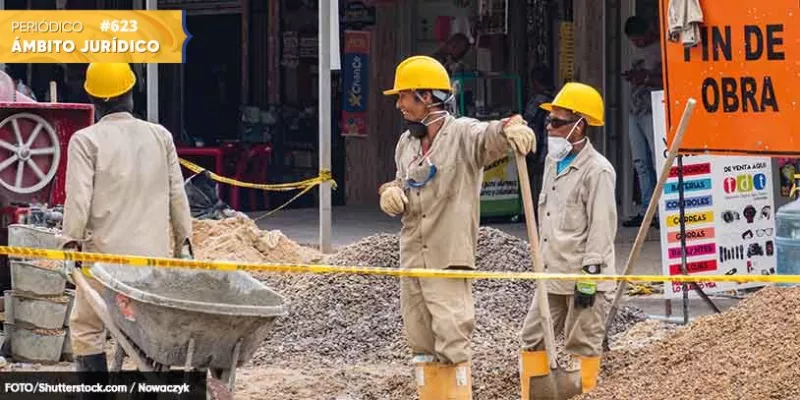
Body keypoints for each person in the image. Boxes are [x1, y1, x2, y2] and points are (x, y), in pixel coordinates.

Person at [378, 55, 536, 399]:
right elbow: (399, 182)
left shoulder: (462, 134)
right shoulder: (406, 143)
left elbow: (492, 133)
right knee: (420, 342)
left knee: (452, 339)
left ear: (426, 96)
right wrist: (389, 192)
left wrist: (513, 127)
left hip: (447, 256)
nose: (399, 104)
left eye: (404, 96)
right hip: (413, 259)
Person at [59, 63, 193, 372]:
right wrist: (183, 244)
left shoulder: (85, 141)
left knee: (87, 327)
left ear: (94, 99)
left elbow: (78, 201)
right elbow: (177, 196)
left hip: (104, 265)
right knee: (149, 329)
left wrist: (69, 243)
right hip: (152, 265)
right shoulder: (161, 136)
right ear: (131, 95)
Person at [518, 82, 618, 396]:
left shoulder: (597, 171)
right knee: (532, 337)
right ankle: (533, 394)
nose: (550, 128)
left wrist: (590, 275)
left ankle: (583, 392)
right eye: (550, 121)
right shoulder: (551, 163)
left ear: (580, 125)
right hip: (552, 273)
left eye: (558, 122)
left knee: (582, 344)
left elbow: (602, 229)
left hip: (582, 276)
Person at [623, 15, 663, 228]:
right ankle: (647, 210)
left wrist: (645, 78)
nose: (637, 44)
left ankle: (662, 209)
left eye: (638, 39)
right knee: (640, 162)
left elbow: (667, 77)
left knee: (658, 161)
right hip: (635, 110)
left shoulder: (661, 48)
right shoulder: (634, 50)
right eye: (633, 40)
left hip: (653, 110)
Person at [523, 65, 555, 222]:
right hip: (551, 151)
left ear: (535, 82)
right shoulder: (555, 100)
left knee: (535, 185)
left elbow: (527, 123)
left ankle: (533, 214)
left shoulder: (537, 101)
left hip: (537, 150)